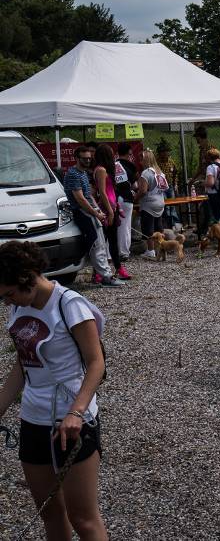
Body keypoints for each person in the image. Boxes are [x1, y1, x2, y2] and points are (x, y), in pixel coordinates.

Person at [0, 240, 109, 540]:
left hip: (71, 421)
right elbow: (23, 365)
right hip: (33, 418)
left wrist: (76, 412)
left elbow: (96, 363)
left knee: (83, 518)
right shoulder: (19, 307)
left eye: (9, 293)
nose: (8, 303)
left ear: (27, 277)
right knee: (49, 511)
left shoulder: (69, 304)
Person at [62, 146, 121, 287]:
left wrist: (98, 211)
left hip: (90, 212)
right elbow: (80, 199)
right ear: (77, 158)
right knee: (97, 244)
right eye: (85, 158)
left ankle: (105, 275)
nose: (88, 160)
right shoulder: (73, 174)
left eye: (90, 158)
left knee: (100, 243)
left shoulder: (82, 173)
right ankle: (105, 276)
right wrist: (96, 212)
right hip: (83, 213)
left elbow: (89, 196)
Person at [92, 145, 127, 282]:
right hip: (107, 208)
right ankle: (97, 272)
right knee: (103, 241)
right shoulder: (100, 170)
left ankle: (118, 268)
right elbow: (103, 192)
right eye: (111, 154)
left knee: (113, 241)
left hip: (113, 206)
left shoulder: (105, 169)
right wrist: (111, 212)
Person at [135, 150, 168, 262]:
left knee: (148, 228)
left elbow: (143, 191)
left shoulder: (145, 173)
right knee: (159, 227)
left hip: (149, 204)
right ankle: (162, 248)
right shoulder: (160, 172)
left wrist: (135, 198)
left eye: (141, 159)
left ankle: (150, 251)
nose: (139, 162)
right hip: (160, 202)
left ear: (145, 160)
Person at [113, 143, 136, 262]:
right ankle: (124, 252)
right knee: (125, 226)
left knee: (112, 225)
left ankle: (112, 251)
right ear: (129, 153)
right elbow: (135, 185)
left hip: (112, 198)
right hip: (126, 198)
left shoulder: (112, 165)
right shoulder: (130, 166)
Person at [155, 139, 180, 230]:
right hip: (161, 188)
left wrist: (176, 184)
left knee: (172, 206)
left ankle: (175, 225)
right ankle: (168, 225)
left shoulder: (171, 161)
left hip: (171, 186)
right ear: (161, 153)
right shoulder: (156, 162)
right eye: (165, 152)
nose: (167, 154)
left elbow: (175, 173)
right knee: (166, 207)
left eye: (168, 152)